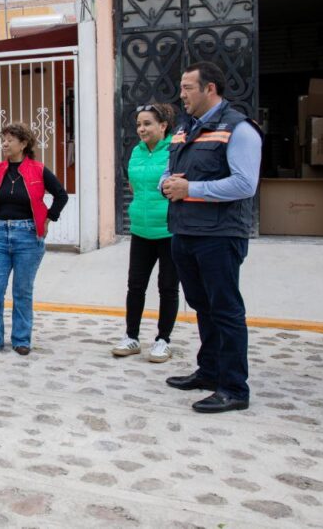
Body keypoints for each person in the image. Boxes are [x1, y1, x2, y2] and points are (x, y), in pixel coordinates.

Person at [161, 61, 262, 414]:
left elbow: (245, 184)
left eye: (188, 87)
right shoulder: (184, 128)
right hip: (185, 231)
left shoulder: (239, 129)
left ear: (210, 89)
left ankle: (234, 388)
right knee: (202, 306)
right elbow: (168, 171)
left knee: (225, 310)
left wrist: (191, 189)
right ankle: (209, 371)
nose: (181, 94)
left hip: (220, 235)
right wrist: (166, 184)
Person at [0, 123, 68, 356]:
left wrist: (48, 219)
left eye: (10, 140)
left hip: (28, 237)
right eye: (3, 139)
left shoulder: (38, 169)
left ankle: (21, 339)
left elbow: (61, 195)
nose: (4, 143)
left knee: (22, 290)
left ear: (24, 144)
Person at [112, 103, 180, 363]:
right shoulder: (136, 152)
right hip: (140, 229)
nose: (141, 129)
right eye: (139, 124)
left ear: (163, 126)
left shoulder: (175, 151)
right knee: (135, 286)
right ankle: (131, 337)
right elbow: (134, 186)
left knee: (168, 287)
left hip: (169, 230)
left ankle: (163, 340)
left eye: (147, 123)